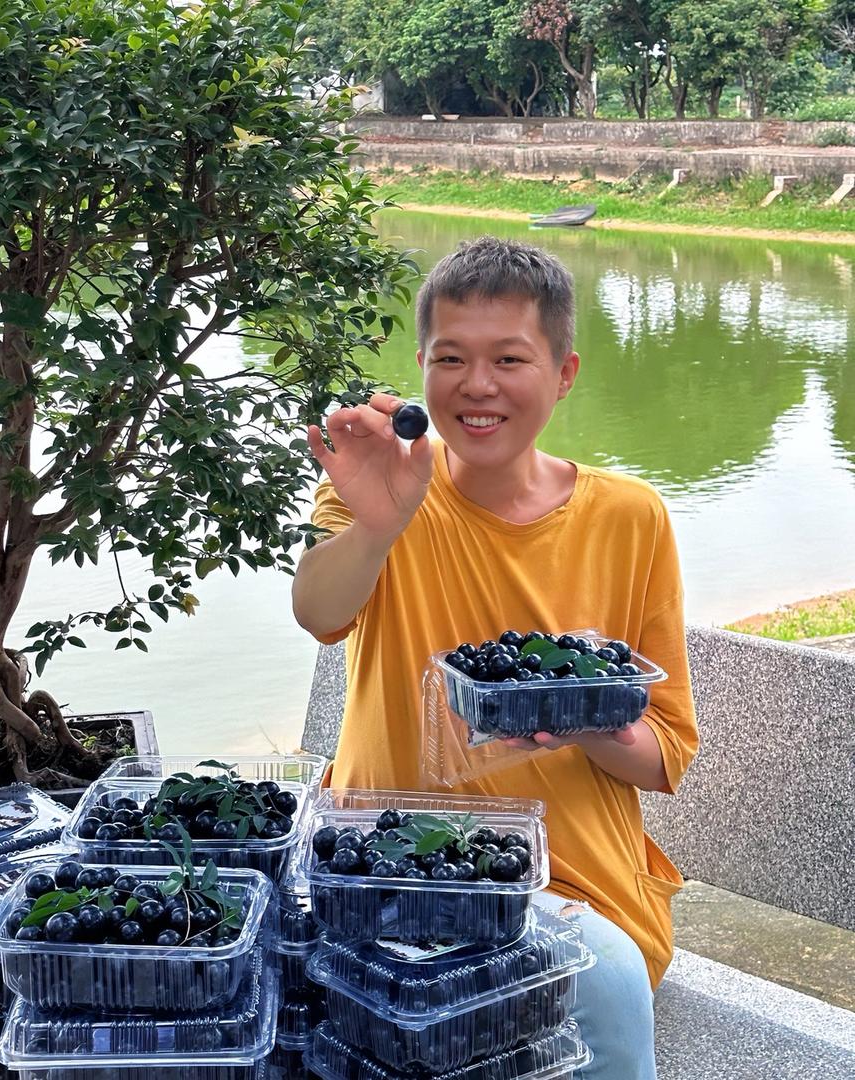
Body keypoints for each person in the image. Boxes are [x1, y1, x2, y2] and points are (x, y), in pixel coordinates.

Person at [292, 236, 699, 1079]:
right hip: (388, 864)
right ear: (421, 367)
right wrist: (378, 523)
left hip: (563, 882)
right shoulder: (381, 479)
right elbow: (318, 613)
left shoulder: (632, 518)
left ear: (564, 371)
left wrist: (579, 714)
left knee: (606, 982)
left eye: (510, 358)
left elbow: (663, 756)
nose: (477, 386)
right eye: (452, 359)